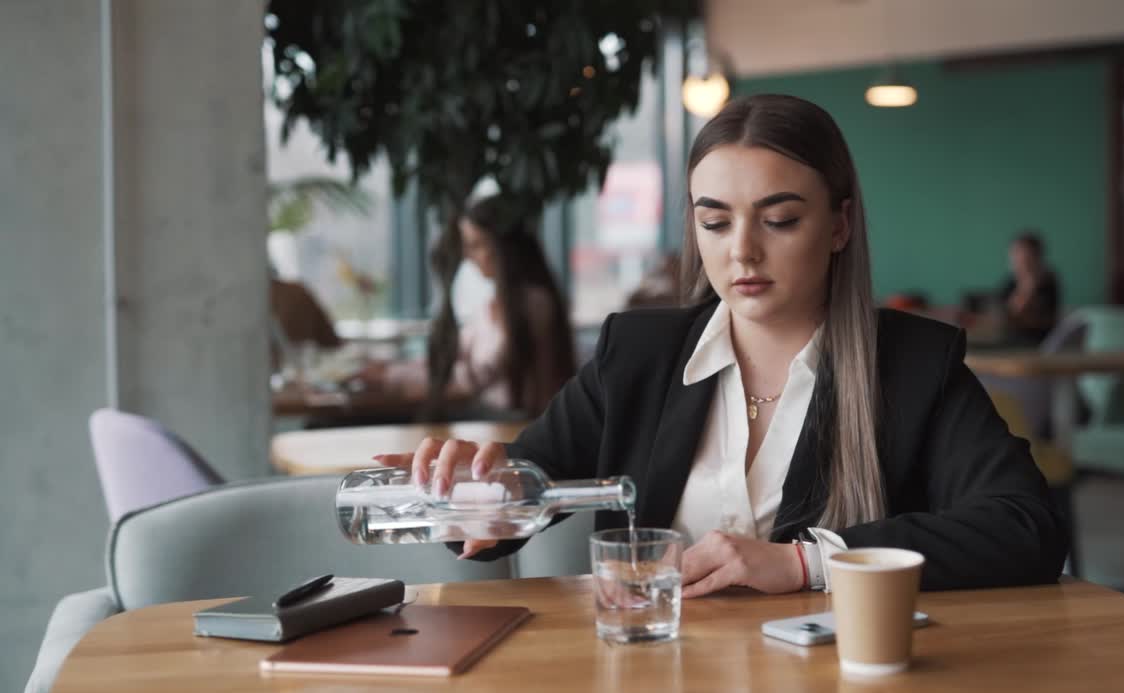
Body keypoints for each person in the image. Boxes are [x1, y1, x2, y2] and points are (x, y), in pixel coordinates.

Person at [376, 95, 1067, 595]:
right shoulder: (638, 354)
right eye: (715, 222)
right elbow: (527, 479)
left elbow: (1025, 528)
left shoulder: (915, 365)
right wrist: (479, 493)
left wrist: (805, 563)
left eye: (781, 219)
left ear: (838, 225)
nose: (742, 252)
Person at [360, 195, 576, 419]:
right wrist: (389, 369)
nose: (468, 256)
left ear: (503, 246)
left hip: (513, 421)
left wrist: (391, 377)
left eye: (476, 245)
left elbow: (477, 376)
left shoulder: (533, 303)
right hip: (495, 418)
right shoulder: (493, 305)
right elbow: (453, 358)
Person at [998, 232, 1060, 344]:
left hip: (1037, 342)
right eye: (1013, 253)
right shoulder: (1010, 282)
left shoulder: (1047, 282)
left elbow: (1017, 313)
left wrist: (1028, 283)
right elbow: (1003, 315)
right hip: (1010, 339)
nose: (1014, 259)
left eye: (1019, 253)